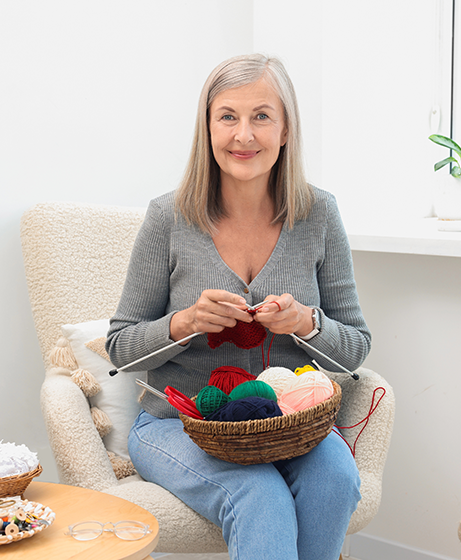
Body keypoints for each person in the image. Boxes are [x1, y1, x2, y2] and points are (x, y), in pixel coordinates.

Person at [106, 53, 371, 560]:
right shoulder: (168, 217)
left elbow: (355, 348)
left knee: (336, 479)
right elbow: (120, 348)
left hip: (290, 422)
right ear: (207, 127)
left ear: (286, 129)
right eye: (227, 116)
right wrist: (184, 323)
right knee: (259, 495)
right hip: (178, 424)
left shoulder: (319, 214)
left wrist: (306, 323)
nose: (243, 135)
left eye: (261, 116)